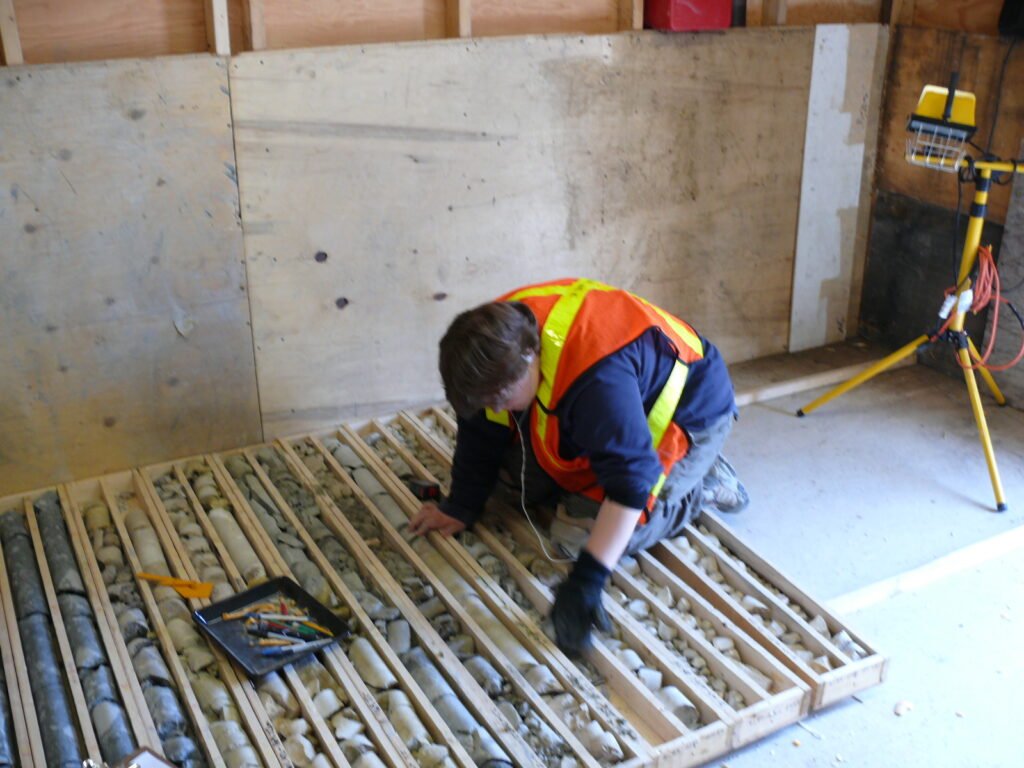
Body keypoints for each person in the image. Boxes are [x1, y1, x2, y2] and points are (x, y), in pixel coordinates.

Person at [408, 277, 746, 656]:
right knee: (508, 487)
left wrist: (588, 579)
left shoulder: (596, 381)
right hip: (611, 411)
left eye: (501, 399)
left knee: (580, 538)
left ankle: (703, 483)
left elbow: (631, 485)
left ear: (529, 360)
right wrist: (461, 506)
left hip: (686, 412)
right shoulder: (492, 341)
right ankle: (602, 457)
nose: (497, 409)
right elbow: (482, 428)